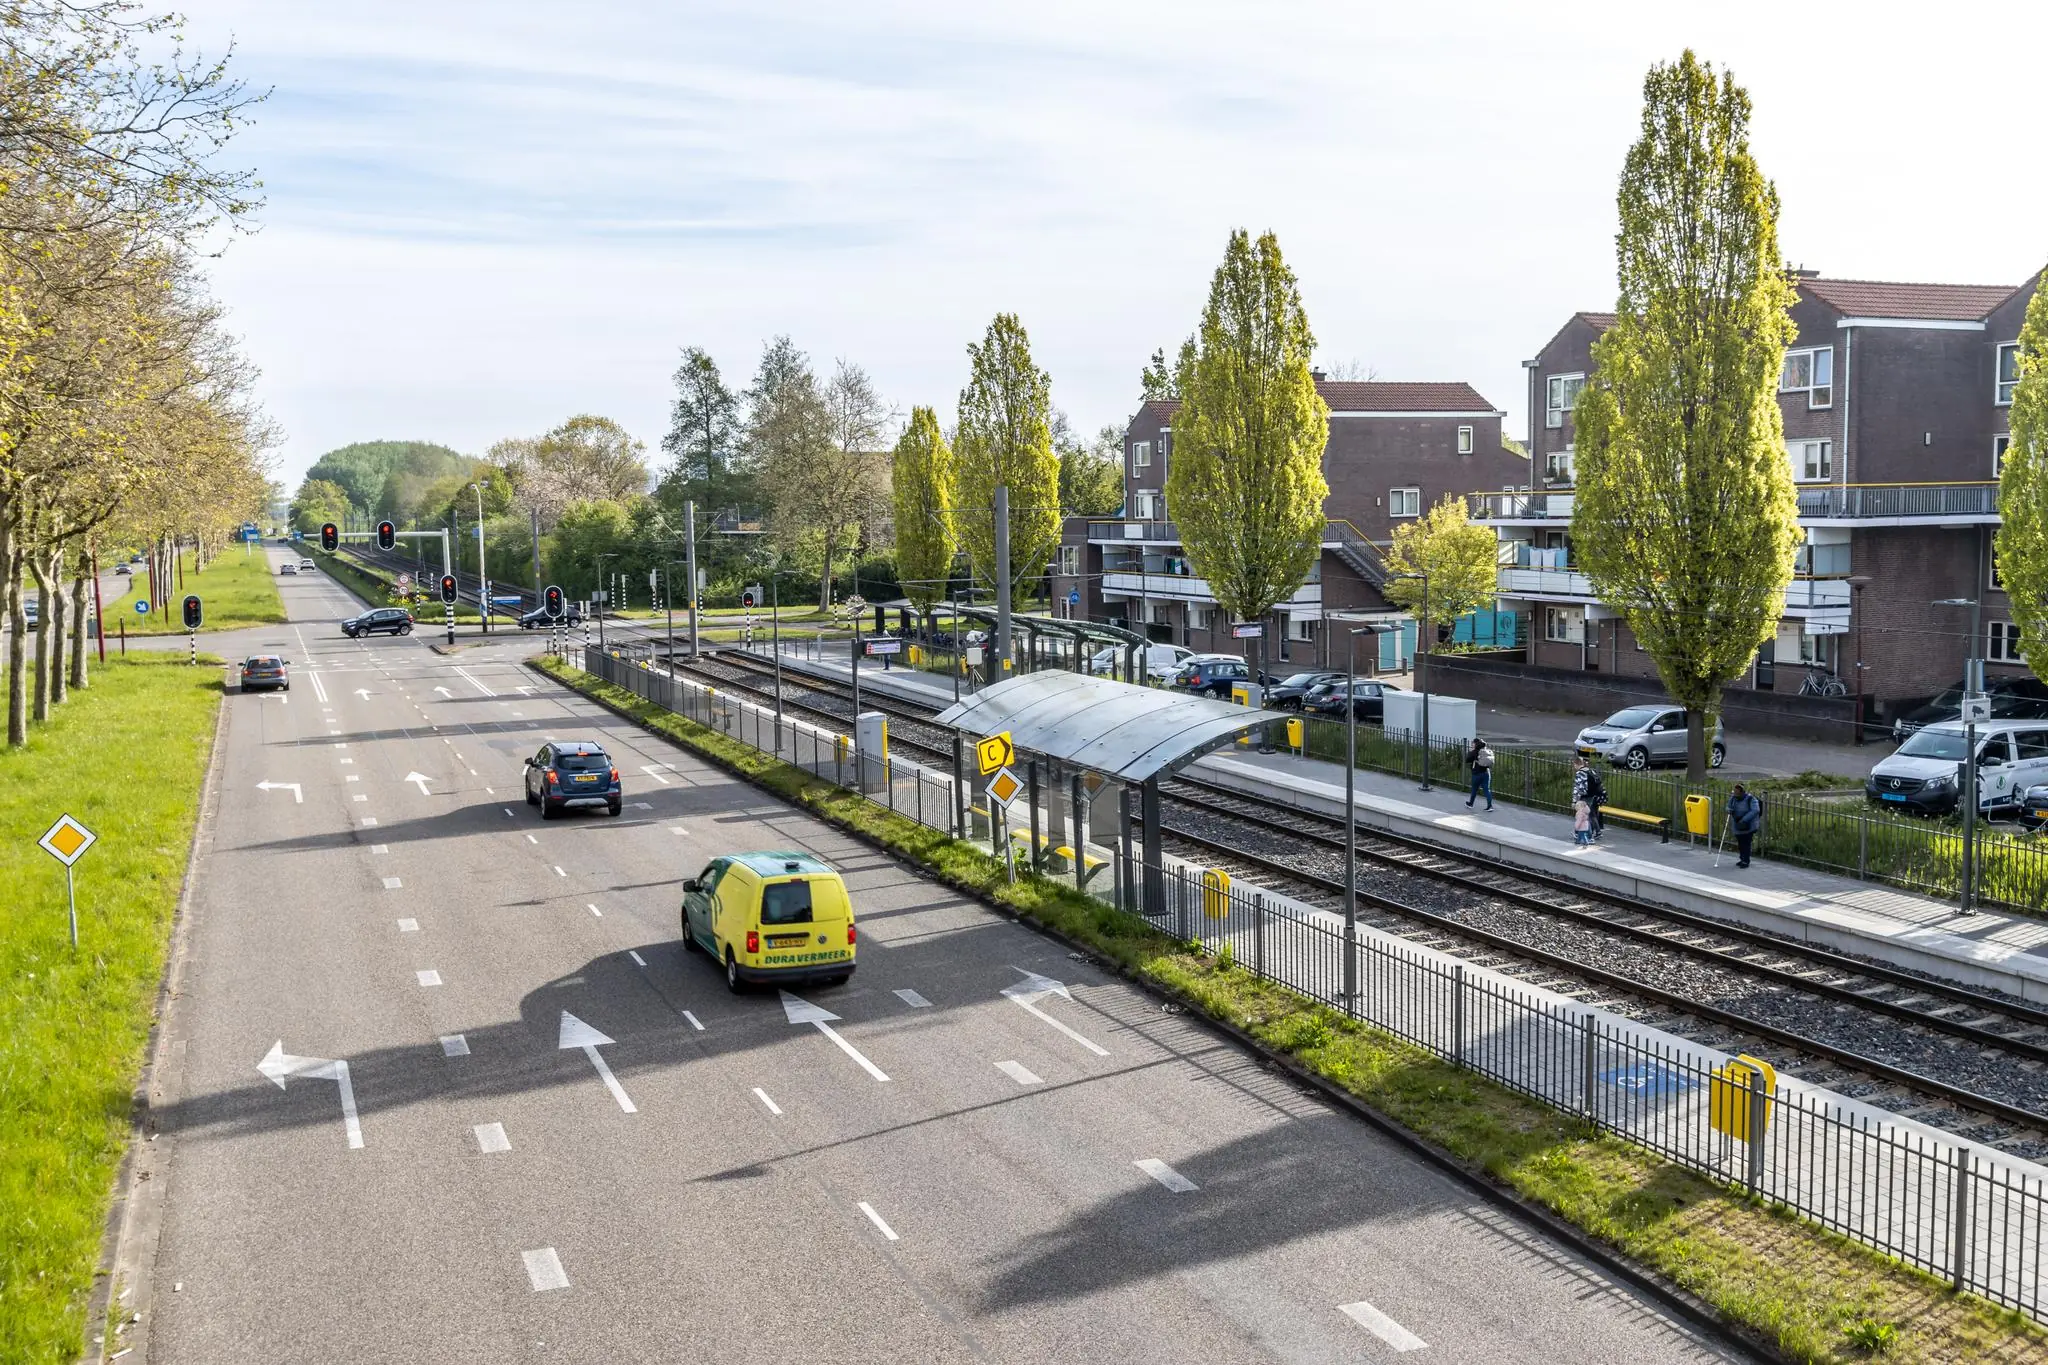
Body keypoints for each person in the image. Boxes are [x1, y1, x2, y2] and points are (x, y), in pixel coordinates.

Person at [1726, 784, 1763, 868]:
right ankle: (1742, 858)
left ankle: (1746, 861)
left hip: (1748, 825)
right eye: (1734, 792)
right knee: (1740, 842)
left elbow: (1755, 810)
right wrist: (1729, 810)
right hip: (1737, 824)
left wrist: (1744, 819)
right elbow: (1728, 806)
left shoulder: (1751, 799)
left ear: (1742, 792)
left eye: (1737, 792)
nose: (1735, 794)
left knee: (1746, 843)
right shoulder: (1733, 798)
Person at [1465, 737, 1495, 811]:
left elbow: (1467, 760)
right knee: (1487, 790)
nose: (1472, 744)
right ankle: (1490, 806)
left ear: (1475, 744)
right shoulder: (1485, 751)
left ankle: (1471, 804)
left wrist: (1470, 751)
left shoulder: (1475, 752)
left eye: (1473, 743)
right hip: (1486, 773)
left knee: (1474, 789)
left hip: (1477, 773)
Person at [1570, 756, 1593, 846]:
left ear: (1576, 764)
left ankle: (1588, 837)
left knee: (1581, 816)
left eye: (1574, 765)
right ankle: (1580, 835)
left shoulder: (1579, 773)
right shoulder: (1589, 771)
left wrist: (1574, 801)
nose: (1574, 767)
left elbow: (1577, 788)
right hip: (1591, 796)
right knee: (1586, 816)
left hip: (1583, 797)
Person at [1584, 763, 1607, 842]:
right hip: (1599, 796)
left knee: (1592, 814)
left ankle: (1598, 831)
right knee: (1594, 813)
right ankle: (1594, 831)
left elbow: (1589, 788)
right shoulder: (1592, 772)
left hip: (1594, 796)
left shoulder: (1587, 775)